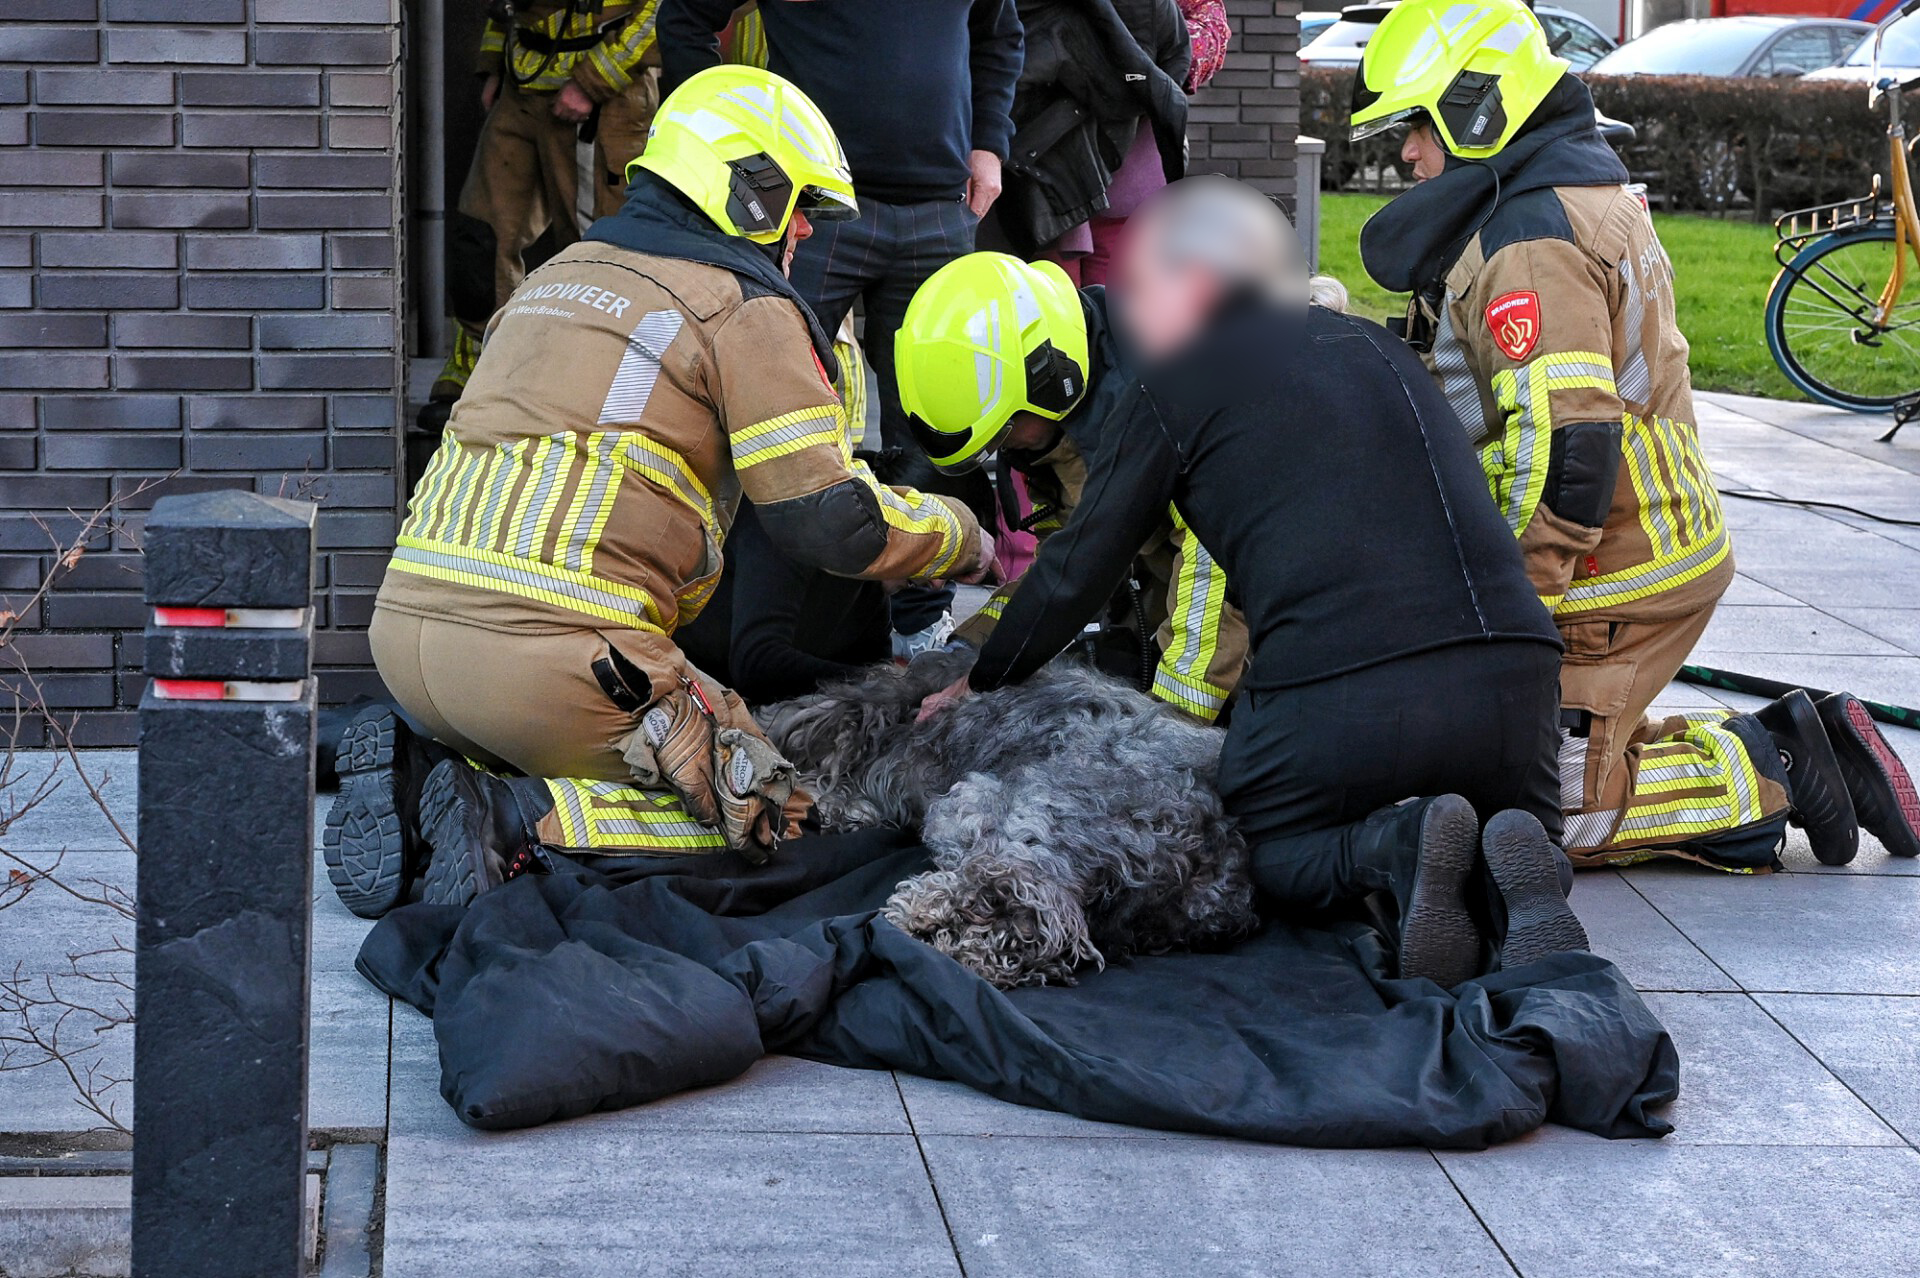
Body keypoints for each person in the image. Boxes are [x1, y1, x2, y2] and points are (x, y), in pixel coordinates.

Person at [323, 66, 992, 919]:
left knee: (613, 722)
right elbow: (830, 522)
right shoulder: (741, 305)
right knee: (774, 815)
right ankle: (519, 817)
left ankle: (432, 775)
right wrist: (958, 535)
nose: (800, 241)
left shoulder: (555, 275)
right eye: (800, 211)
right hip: (558, 666)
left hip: (409, 642)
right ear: (751, 190)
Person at [914, 178, 1588, 986]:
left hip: (1351, 688)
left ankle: (1394, 846)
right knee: (1510, 811)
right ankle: (1522, 857)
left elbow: (1078, 566)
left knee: (1256, 843)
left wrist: (983, 676)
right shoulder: (1371, 344)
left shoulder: (1174, 387)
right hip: (1519, 676)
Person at [1350, 0, 1920, 872]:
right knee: (1538, 750)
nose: (1407, 153)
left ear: (1475, 108)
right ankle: (1789, 733)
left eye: (1416, 127)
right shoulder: (1566, 187)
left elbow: (1572, 447)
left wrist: (1516, 610)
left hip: (1612, 567)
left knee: (1552, 817)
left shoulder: (1528, 241)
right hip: (1639, 539)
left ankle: (1772, 768)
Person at [657, 0, 1025, 657]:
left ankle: (919, 619)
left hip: (939, 206)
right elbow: (685, 16)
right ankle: (739, 622)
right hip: (812, 209)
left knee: (938, 426)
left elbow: (998, 34)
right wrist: (748, 167)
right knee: (765, 407)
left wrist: (989, 142)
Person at [896, 250, 1247, 723]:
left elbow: (1213, 574)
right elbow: (1067, 574)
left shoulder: (1171, 402)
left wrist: (1168, 732)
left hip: (1271, 633)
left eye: (1003, 433)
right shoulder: (1061, 424)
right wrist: (968, 652)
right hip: (1184, 622)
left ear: (1046, 381)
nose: (1009, 453)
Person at [422, 0, 667, 428]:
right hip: (522, 88)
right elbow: (507, 6)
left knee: (599, 257)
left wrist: (591, 82)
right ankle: (482, 379)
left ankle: (585, 388)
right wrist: (494, 63)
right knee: (481, 236)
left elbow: (661, 10)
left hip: (604, 99)